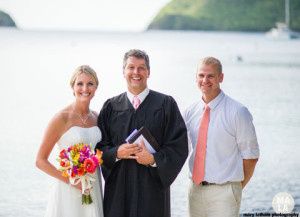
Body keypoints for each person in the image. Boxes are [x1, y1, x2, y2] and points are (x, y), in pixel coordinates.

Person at [96, 49, 188, 217]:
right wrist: (116, 152)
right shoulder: (110, 107)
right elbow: (99, 147)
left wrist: (153, 160)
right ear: (123, 72)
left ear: (149, 72)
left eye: (141, 68)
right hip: (119, 191)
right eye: (131, 67)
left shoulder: (166, 104)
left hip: (152, 191)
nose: (136, 73)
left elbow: (178, 146)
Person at [184, 57, 260, 217]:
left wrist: (235, 187)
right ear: (195, 77)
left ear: (221, 78)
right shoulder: (189, 112)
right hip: (194, 191)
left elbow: (251, 157)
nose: (205, 80)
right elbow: (181, 149)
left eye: (210, 76)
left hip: (225, 193)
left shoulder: (238, 112)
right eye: (201, 75)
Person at [36, 65, 104, 217]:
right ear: (72, 87)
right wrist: (71, 181)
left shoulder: (97, 118)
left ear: (96, 88)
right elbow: (40, 161)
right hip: (68, 187)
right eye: (80, 83)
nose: (85, 88)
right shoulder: (62, 118)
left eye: (90, 83)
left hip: (92, 185)